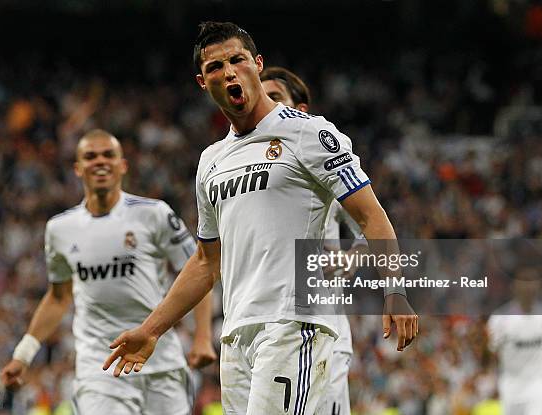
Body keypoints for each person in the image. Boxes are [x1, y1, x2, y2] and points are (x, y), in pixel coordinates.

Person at [103, 22, 418, 415]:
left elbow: (372, 217)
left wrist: (395, 290)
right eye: (216, 67)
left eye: (237, 59)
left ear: (257, 63)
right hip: (236, 335)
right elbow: (205, 262)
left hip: (293, 323)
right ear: (203, 82)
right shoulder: (210, 162)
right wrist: (151, 330)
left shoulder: (309, 134)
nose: (229, 71)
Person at [0, 129, 217, 414]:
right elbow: (57, 298)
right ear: (78, 168)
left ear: (122, 165)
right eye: (90, 156)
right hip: (100, 367)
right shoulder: (60, 229)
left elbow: (199, 268)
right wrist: (24, 354)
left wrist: (202, 337)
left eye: (108, 155)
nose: (100, 161)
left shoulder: (154, 214)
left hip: (161, 361)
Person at [260, 66, 369, 415]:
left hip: (323, 328)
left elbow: (370, 230)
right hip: (260, 332)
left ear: (300, 110)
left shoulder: (324, 170)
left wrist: (348, 262)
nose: (265, 107)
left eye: (274, 98)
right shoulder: (244, 174)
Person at [487, 267, 542, 415]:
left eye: (532, 281)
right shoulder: (499, 319)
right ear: (514, 286)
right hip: (510, 389)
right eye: (524, 281)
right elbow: (491, 353)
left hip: (538, 388)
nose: (529, 286)